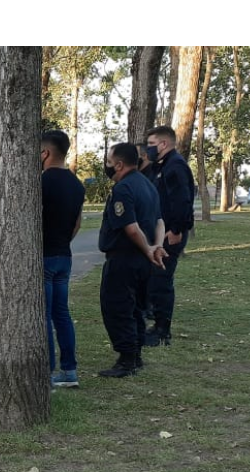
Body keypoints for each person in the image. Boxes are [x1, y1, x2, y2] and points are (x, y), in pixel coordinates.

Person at [98, 142, 167, 378]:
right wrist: (156, 246)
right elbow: (159, 221)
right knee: (136, 308)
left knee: (117, 307)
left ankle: (127, 359)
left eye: (109, 161)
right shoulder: (148, 185)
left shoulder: (123, 188)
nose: (107, 165)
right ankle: (135, 356)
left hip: (124, 258)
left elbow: (130, 227)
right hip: (142, 261)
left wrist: (149, 248)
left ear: (118, 164)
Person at [144, 125, 195, 347]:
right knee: (154, 280)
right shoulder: (160, 166)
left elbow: (183, 201)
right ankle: (156, 324)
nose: (149, 149)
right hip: (159, 232)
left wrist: (176, 230)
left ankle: (162, 331)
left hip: (170, 233)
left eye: (152, 144)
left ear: (164, 144)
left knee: (161, 281)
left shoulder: (175, 166)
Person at [41, 130, 85, 388]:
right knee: (62, 314)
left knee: (44, 316)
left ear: (45, 152)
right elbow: (77, 223)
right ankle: (69, 371)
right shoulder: (76, 184)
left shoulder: (41, 182)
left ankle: (46, 372)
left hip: (44, 256)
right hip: (64, 256)